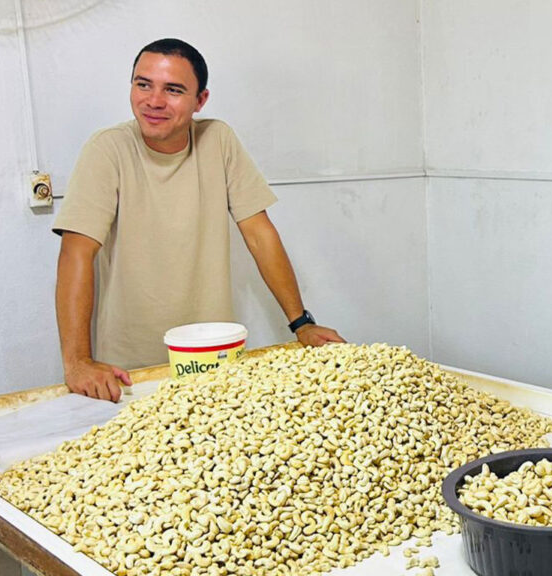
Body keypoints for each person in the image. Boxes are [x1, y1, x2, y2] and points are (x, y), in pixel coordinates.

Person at [53, 38, 344, 403]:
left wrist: (301, 324)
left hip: (214, 360)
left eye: (173, 90)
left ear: (200, 100)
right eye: (143, 84)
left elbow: (259, 234)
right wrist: (77, 362)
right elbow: (76, 253)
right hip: (131, 372)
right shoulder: (107, 148)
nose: (154, 101)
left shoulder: (218, 139)